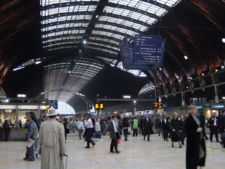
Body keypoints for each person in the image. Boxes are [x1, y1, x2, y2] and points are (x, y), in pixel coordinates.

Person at [185, 105, 206, 169]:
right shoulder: (189, 119)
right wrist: (196, 130)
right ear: (191, 110)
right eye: (195, 109)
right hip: (193, 141)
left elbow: (200, 125)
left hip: (200, 139)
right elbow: (187, 130)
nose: (196, 110)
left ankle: (200, 165)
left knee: (202, 153)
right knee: (193, 157)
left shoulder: (197, 117)